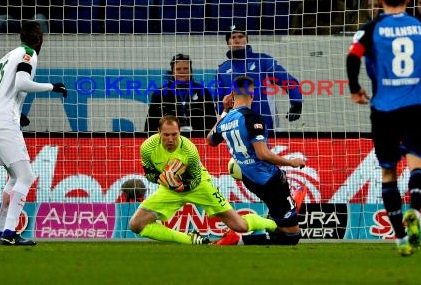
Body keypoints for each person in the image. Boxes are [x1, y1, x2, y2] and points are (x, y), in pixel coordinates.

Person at [346, 0, 421, 256]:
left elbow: (353, 56)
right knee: (418, 165)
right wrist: (420, 83)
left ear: (380, 0)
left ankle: (401, 237)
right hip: (416, 108)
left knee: (388, 172)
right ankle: (414, 211)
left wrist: (355, 89)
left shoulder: (373, 28)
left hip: (384, 110)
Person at [129, 115, 279, 244]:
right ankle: (190, 240)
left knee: (240, 226)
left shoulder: (189, 150)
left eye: (174, 135)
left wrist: (178, 185)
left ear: (180, 133)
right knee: (136, 224)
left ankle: (274, 223)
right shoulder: (147, 147)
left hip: (199, 186)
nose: (170, 139)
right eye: (166, 135)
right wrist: (164, 180)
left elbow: (195, 180)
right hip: (169, 188)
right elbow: (149, 173)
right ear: (159, 132)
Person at [0, 21, 67, 245]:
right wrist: (52, 87)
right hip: (3, 121)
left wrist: (14, 110)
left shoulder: (7, 56)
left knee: (14, 179)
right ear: (39, 40)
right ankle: (10, 233)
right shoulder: (29, 54)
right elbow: (21, 83)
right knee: (26, 177)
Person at [207, 75, 307, 245]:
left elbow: (210, 140)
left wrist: (224, 110)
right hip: (269, 180)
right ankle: (239, 237)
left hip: (249, 180)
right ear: (252, 94)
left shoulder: (225, 120)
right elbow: (263, 154)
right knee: (292, 236)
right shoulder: (252, 118)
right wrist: (292, 162)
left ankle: (290, 203)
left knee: (281, 223)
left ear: (232, 95)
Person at [216, 24, 303, 133]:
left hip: (267, 126)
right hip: (237, 130)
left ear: (246, 40)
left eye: (241, 36)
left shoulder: (263, 61)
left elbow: (288, 80)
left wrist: (296, 102)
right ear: (228, 43)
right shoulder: (222, 70)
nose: (237, 40)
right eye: (233, 37)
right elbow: (220, 101)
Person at [144, 53, 217, 137]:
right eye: (178, 69)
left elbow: (211, 121)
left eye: (185, 68)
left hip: (198, 139)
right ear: (172, 72)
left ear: (191, 70)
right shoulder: (160, 93)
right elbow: (151, 123)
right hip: (169, 139)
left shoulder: (203, 92)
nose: (182, 71)